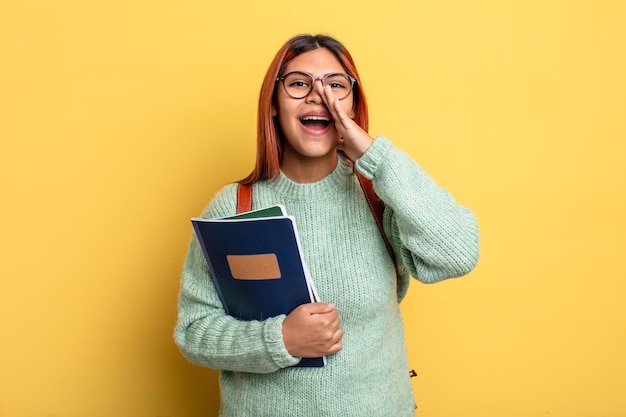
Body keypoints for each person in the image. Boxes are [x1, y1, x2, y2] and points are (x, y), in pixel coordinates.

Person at [174, 34, 479, 417]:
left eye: (336, 85)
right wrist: (280, 339)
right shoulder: (234, 206)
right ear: (273, 103)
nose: (319, 95)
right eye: (299, 83)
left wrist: (374, 156)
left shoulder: (380, 195)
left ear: (352, 103)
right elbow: (194, 332)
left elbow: (459, 254)